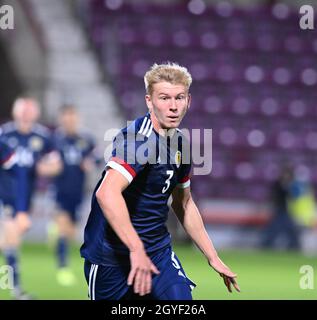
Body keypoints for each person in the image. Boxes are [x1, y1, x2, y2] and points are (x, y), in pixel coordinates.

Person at [80, 62, 240, 300]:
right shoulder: (138, 140)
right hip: (112, 259)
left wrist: (212, 256)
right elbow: (107, 193)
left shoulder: (181, 144)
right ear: (149, 101)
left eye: (180, 98)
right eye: (164, 98)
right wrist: (136, 249)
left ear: (189, 101)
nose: (173, 106)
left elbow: (183, 203)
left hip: (157, 253)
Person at [0, 97, 61, 299]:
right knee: (12, 239)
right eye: (22, 110)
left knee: (10, 240)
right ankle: (16, 289)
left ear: (35, 114)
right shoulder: (5, 134)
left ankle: (15, 288)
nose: (25, 114)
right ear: (15, 112)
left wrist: (46, 168)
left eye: (29, 111)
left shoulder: (42, 136)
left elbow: (56, 165)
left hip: (25, 196)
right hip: (5, 194)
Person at [50, 105, 98, 286]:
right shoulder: (55, 140)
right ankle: (62, 268)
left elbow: (97, 157)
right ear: (61, 119)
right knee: (63, 229)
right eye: (66, 117)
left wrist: (90, 162)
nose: (70, 121)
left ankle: (55, 233)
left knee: (70, 231)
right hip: (59, 191)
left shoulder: (85, 140)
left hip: (78, 192)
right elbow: (45, 159)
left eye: (73, 117)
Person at [261, 164, 301, 250]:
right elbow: (275, 196)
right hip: (279, 210)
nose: (286, 176)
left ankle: (294, 247)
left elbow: (294, 197)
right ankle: (266, 245)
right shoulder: (278, 184)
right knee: (274, 229)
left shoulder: (291, 185)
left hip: (287, 210)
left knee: (290, 230)